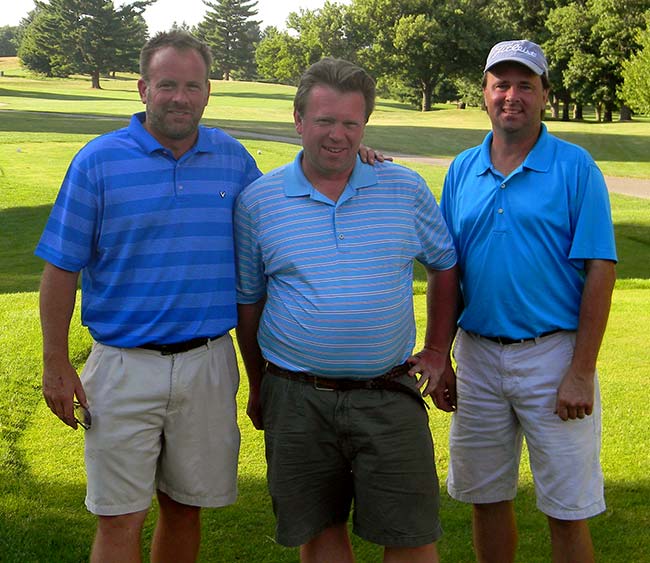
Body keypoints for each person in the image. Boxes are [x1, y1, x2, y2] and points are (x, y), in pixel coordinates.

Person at [35, 31, 262, 563]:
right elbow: (61, 269)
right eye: (167, 85)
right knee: (119, 517)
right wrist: (55, 363)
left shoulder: (232, 159)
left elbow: (284, 211)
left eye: (192, 85)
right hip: (122, 367)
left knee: (185, 509)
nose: (179, 97)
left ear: (208, 92)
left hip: (208, 362)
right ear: (143, 88)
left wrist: (357, 159)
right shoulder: (98, 162)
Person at [234, 57, 459, 563]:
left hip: (389, 393)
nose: (337, 135)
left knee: (412, 536)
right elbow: (249, 303)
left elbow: (444, 264)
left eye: (350, 123)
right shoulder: (258, 202)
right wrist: (259, 384)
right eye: (324, 121)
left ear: (364, 127)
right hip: (295, 397)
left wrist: (438, 350)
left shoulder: (402, 188)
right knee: (319, 534)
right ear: (298, 121)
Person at [439, 40, 617, 563]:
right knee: (486, 497)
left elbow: (600, 270)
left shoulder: (574, 167)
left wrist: (581, 370)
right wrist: (439, 354)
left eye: (524, 85)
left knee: (567, 507)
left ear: (544, 96)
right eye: (501, 84)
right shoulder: (461, 170)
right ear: (485, 93)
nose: (511, 95)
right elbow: (448, 273)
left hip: (554, 356)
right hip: (477, 356)